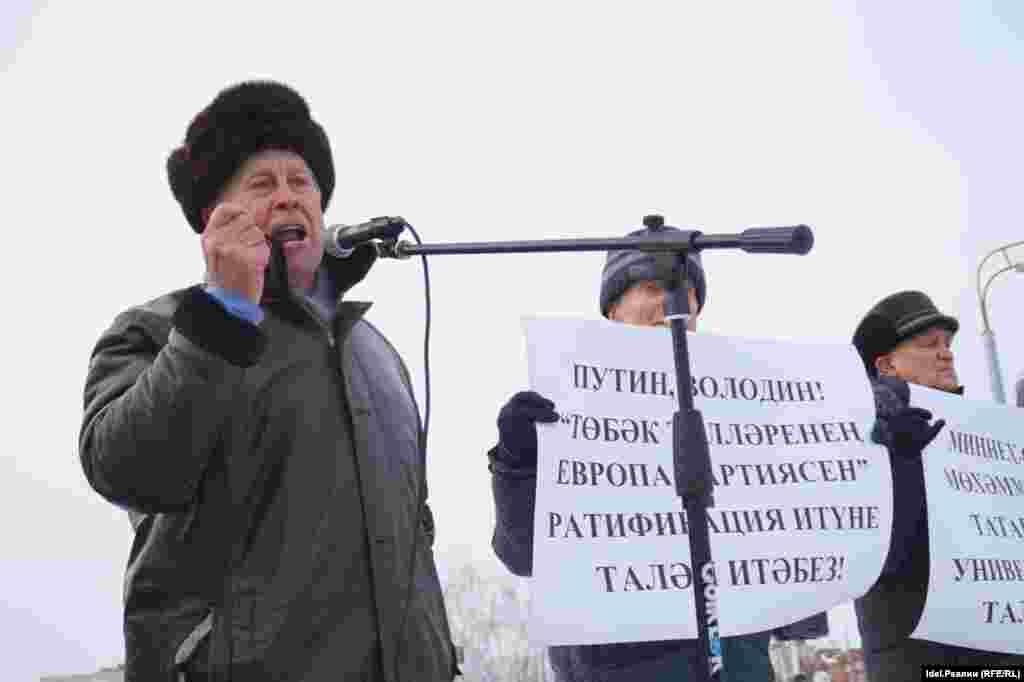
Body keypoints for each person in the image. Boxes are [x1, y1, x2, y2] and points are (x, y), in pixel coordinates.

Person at [79, 80, 458, 682]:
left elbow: (417, 532)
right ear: (214, 218)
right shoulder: (159, 330)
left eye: (301, 182)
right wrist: (221, 316)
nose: (287, 197)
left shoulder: (376, 352)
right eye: (261, 184)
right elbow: (126, 469)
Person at [487, 220, 826, 681]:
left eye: (685, 291)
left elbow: (790, 539)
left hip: (738, 663)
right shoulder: (564, 408)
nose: (671, 302)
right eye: (652, 288)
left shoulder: (746, 408)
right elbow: (522, 554)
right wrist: (519, 462)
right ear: (613, 308)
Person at [852, 290, 1024, 679]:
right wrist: (901, 460)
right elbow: (875, 556)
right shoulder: (863, 435)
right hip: (916, 656)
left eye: (947, 344)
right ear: (886, 365)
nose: (946, 354)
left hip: (1000, 649)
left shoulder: (983, 437)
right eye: (930, 345)